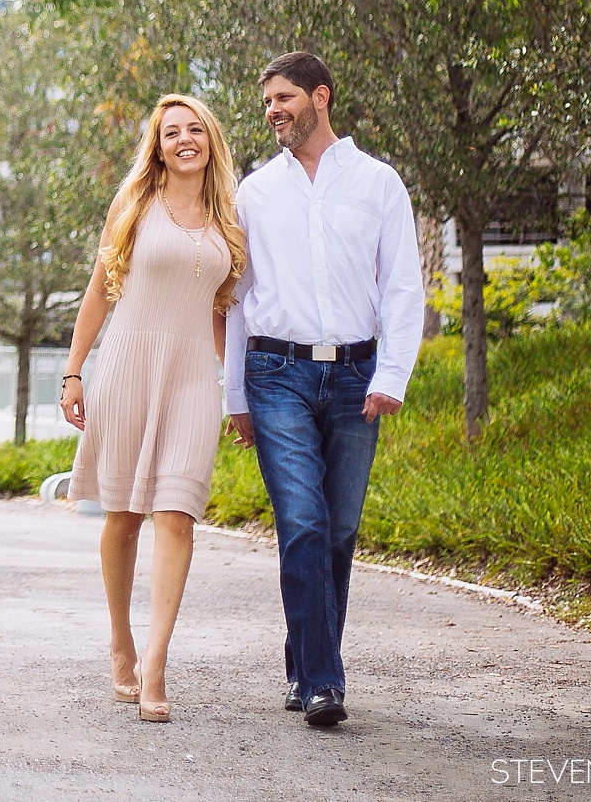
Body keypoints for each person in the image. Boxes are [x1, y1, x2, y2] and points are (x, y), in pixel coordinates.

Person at [223, 51, 424, 727]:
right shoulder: (254, 191)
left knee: (337, 531)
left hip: (355, 376)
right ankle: (322, 683)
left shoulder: (377, 183)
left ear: (321, 97)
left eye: (284, 97)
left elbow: (401, 286)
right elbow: (236, 299)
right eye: (268, 101)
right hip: (275, 373)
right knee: (302, 521)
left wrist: (392, 373)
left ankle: (302, 662)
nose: (274, 110)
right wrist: (235, 395)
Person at [61, 93, 245, 724]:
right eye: (172, 133)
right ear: (158, 145)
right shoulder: (134, 204)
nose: (184, 140)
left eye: (196, 130)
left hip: (195, 376)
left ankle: (157, 664)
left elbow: (222, 313)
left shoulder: (229, 219)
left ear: (211, 141)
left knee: (178, 514)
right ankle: (121, 642)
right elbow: (98, 294)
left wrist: (237, 389)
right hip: (127, 368)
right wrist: (73, 371)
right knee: (123, 517)